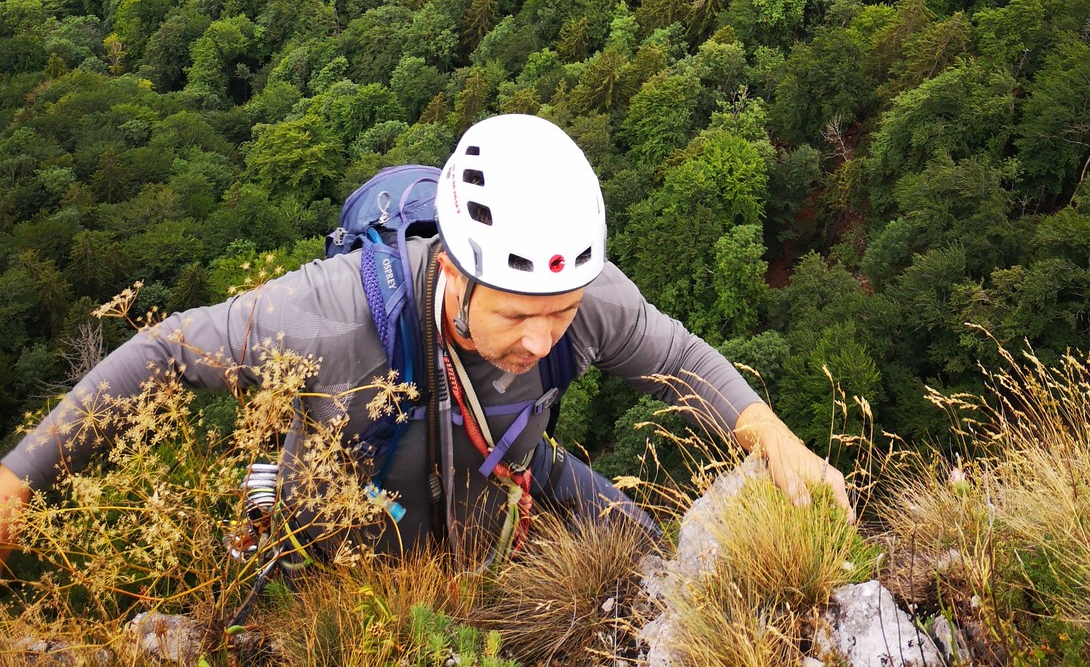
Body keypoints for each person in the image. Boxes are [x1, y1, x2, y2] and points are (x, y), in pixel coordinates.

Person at [0, 115, 851, 568]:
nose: (542, 336)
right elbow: (165, 353)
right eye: (517, 312)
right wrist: (19, 480)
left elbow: (679, 361)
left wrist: (774, 438)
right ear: (454, 269)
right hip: (334, 557)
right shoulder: (333, 317)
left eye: (560, 310)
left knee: (661, 567)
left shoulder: (584, 304)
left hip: (503, 496)